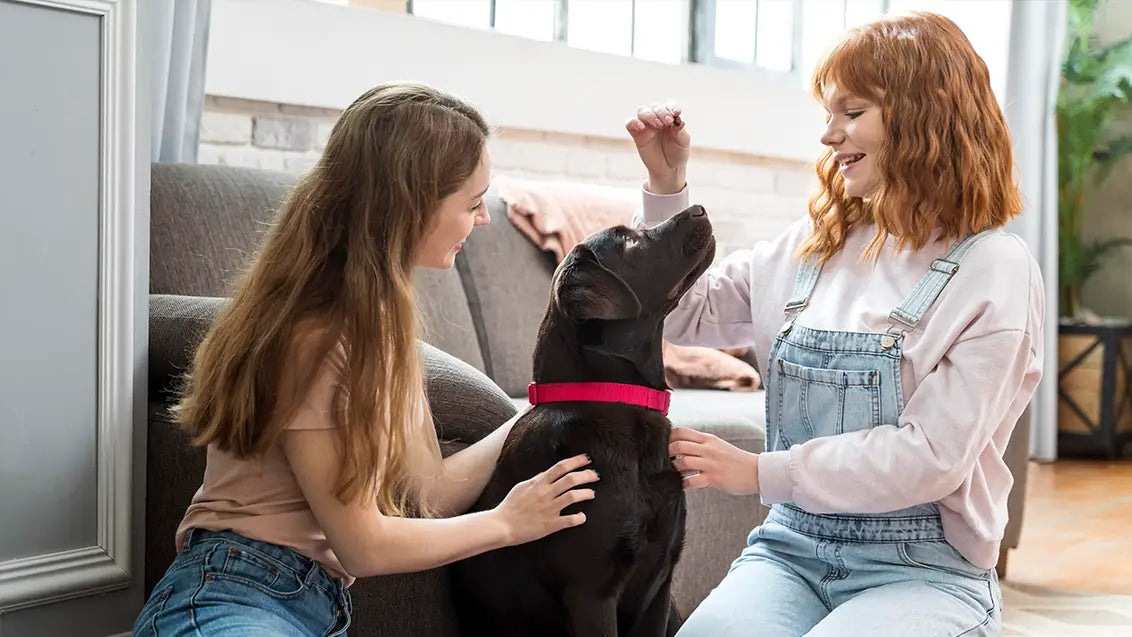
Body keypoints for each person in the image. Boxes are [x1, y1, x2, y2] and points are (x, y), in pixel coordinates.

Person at [627, 11, 1042, 636]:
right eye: (828, 115)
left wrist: (760, 471)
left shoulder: (993, 268)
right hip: (790, 552)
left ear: (921, 115)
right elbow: (686, 315)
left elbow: (930, 458)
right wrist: (667, 183)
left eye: (851, 114)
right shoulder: (814, 246)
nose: (829, 136)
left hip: (925, 570)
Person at [134, 82, 600, 636]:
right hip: (233, 598)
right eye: (473, 203)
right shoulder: (317, 333)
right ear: (413, 206)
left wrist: (541, 409)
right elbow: (363, 546)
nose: (484, 220)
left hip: (307, 608)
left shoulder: (379, 328)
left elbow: (430, 491)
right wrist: (505, 523)